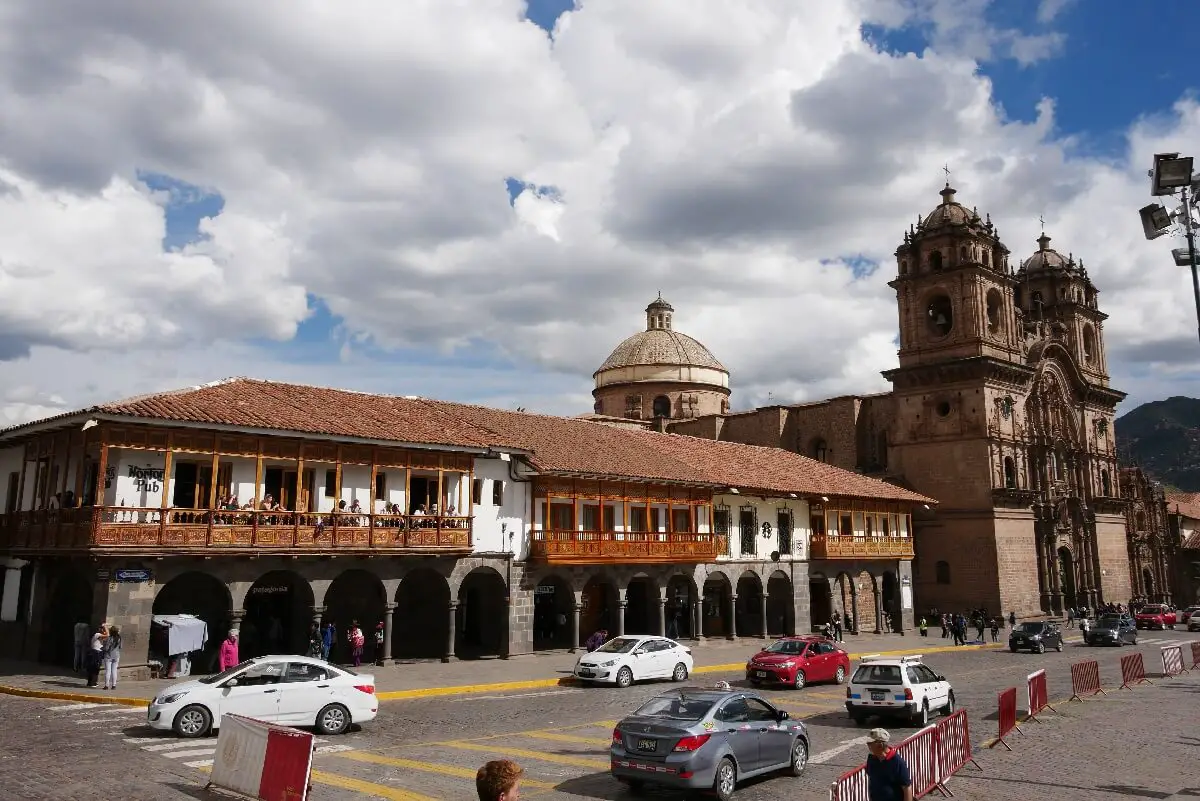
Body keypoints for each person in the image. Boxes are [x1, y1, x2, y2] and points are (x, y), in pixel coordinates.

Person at [864, 728, 912, 801]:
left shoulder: (897, 762)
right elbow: (871, 780)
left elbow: (906, 787)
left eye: (870, 743)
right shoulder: (872, 759)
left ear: (880, 745)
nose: (868, 745)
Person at [102, 625, 122, 690]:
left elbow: (106, 648)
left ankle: (106, 685)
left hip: (108, 656)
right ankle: (114, 685)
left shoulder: (110, 638)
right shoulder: (119, 638)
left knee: (108, 671)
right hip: (116, 655)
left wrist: (103, 647)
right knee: (114, 671)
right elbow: (120, 647)